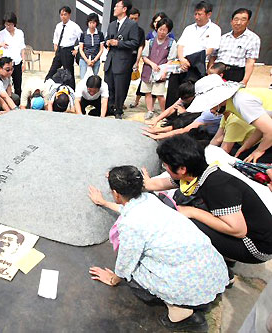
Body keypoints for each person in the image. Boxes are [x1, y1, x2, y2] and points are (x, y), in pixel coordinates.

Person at [88, 165, 227, 332]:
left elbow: (126, 261)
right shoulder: (150, 199)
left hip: (188, 284)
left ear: (116, 194)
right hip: (212, 270)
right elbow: (128, 208)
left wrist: (113, 279)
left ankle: (183, 314)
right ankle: (197, 301)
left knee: (134, 275)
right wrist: (104, 202)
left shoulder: (130, 225)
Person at [148, 134, 272, 265]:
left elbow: (238, 230)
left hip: (256, 247)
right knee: (184, 202)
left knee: (184, 221)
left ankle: (214, 266)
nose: (165, 168)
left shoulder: (217, 186)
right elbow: (160, 184)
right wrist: (141, 184)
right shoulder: (198, 172)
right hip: (251, 234)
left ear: (182, 169)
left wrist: (192, 212)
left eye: (166, 165)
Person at [186, 74, 272, 163]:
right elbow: (263, 128)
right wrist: (246, 147)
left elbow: (270, 131)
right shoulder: (233, 104)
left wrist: (259, 151)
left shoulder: (241, 101)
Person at [165, 1, 221, 109]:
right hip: (181, 63)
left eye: (200, 14)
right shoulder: (189, 28)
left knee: (189, 93)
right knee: (173, 90)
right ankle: (170, 117)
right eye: (195, 14)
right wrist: (182, 59)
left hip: (197, 64)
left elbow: (210, 49)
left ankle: (186, 117)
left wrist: (189, 61)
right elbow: (180, 45)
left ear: (208, 14)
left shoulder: (215, 29)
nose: (197, 17)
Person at [103, 0, 140, 119]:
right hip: (110, 61)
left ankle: (118, 110)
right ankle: (109, 107)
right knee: (109, 86)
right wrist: (107, 42)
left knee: (120, 87)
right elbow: (107, 39)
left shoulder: (131, 25)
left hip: (123, 62)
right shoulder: (112, 24)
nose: (114, 8)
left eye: (117, 6)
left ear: (124, 9)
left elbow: (134, 43)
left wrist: (119, 43)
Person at [208, 8, 260, 85]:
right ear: (231, 21)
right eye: (236, 19)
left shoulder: (253, 39)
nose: (238, 23)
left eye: (243, 20)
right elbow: (213, 56)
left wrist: (244, 81)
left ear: (248, 22)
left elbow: (250, 62)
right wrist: (209, 71)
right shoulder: (223, 38)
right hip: (217, 71)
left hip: (235, 73)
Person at [140, 17, 177, 120]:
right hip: (148, 70)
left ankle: (164, 113)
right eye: (160, 29)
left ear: (168, 31)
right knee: (147, 92)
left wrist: (165, 71)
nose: (161, 32)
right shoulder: (150, 42)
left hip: (161, 72)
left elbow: (171, 59)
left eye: (164, 30)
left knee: (159, 94)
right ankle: (150, 110)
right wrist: (152, 64)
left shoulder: (171, 43)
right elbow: (144, 57)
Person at [44, 6, 82, 90]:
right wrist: (56, 48)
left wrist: (77, 49)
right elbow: (55, 38)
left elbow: (82, 39)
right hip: (59, 50)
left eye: (65, 14)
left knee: (69, 73)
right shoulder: (58, 26)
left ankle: (71, 91)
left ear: (69, 15)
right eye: (61, 15)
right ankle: (46, 88)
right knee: (52, 70)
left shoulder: (74, 26)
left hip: (68, 51)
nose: (63, 17)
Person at [0, 12, 26, 96]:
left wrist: (23, 61)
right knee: (6, 84)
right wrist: (0, 62)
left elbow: (22, 47)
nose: (8, 27)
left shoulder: (20, 33)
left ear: (14, 23)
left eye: (10, 24)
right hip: (6, 64)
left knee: (18, 85)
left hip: (17, 62)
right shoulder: (1, 34)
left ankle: (18, 101)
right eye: (6, 24)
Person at [127, 8, 146, 109]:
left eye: (136, 18)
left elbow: (140, 47)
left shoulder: (140, 31)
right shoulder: (124, 28)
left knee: (128, 81)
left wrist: (137, 61)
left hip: (134, 57)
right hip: (123, 58)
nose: (134, 21)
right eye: (132, 18)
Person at [78, 13, 104, 79]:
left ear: (96, 23)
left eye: (94, 22)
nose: (92, 25)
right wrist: (87, 60)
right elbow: (81, 49)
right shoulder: (83, 34)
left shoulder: (100, 34)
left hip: (96, 60)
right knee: (83, 79)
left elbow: (101, 49)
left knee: (93, 80)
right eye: (90, 22)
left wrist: (94, 60)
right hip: (84, 60)